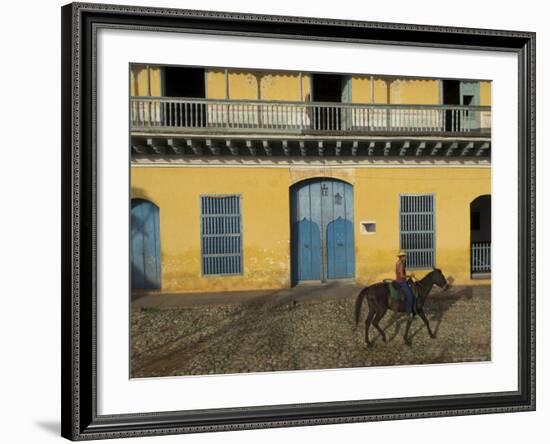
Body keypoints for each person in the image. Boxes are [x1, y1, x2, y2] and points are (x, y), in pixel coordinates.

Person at [395, 251, 415, 315]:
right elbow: (401, 275)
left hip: (400, 280)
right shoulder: (400, 264)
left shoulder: (400, 262)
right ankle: (408, 311)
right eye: (404, 256)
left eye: (405, 256)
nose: (405, 257)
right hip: (401, 281)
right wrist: (410, 276)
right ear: (401, 257)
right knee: (410, 296)